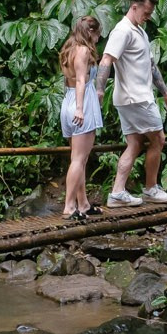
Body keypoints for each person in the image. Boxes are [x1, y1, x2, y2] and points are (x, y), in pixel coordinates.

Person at [96, 0, 167, 207]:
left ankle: (116, 193)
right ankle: (151, 188)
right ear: (134, 7)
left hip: (136, 98)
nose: (148, 17)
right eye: (146, 13)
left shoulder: (139, 31)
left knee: (134, 144)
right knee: (158, 139)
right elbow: (106, 60)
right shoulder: (122, 31)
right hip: (136, 99)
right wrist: (99, 91)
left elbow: (151, 66)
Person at [57, 15, 104, 220]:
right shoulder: (83, 50)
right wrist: (80, 108)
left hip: (67, 101)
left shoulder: (68, 49)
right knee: (79, 159)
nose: (98, 40)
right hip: (81, 103)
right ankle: (69, 206)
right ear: (91, 32)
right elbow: (81, 81)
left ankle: (83, 203)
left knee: (79, 159)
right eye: (98, 35)